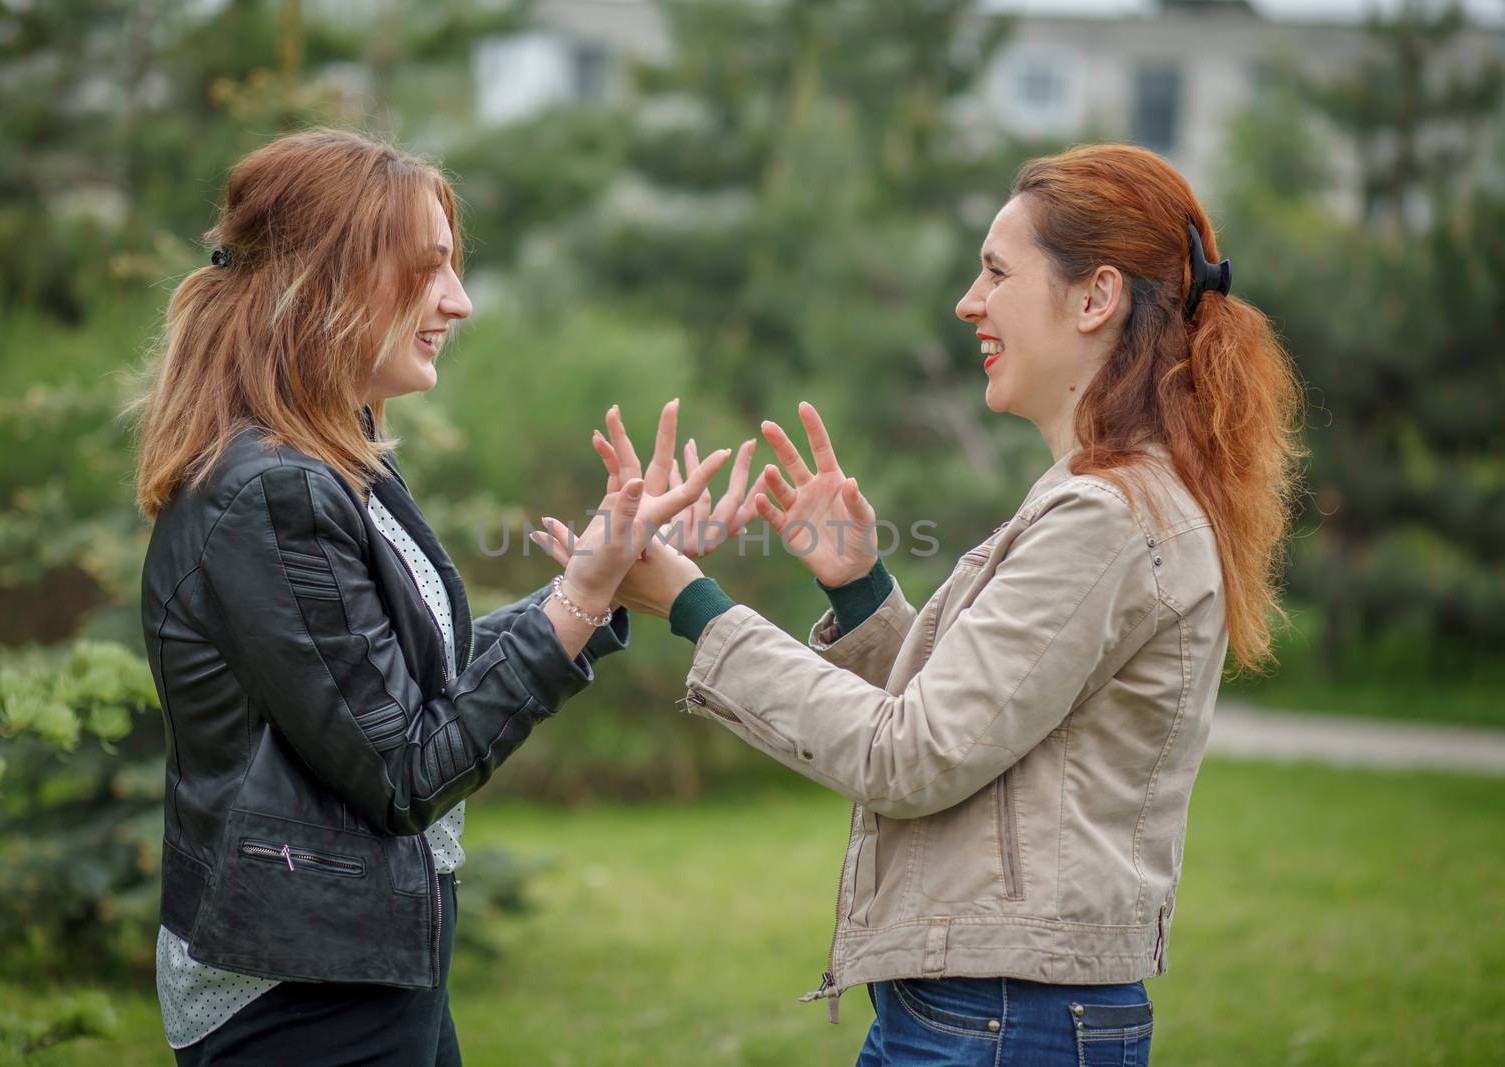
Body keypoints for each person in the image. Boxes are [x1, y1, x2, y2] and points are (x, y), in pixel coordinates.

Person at [537, 143, 1305, 1066]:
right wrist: (858, 591)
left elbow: (914, 755)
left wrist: (691, 602)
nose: (968, 302)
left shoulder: (1105, 516)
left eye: (994, 271)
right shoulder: (1113, 498)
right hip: (993, 1011)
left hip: (1003, 1020)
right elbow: (986, 728)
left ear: (1095, 298)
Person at [128, 127, 738, 1066]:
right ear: (328, 283)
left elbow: (400, 688)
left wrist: (601, 580)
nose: (457, 301)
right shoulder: (274, 489)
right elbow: (407, 767)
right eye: (430, 268)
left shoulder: (330, 461)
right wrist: (578, 593)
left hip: (354, 972)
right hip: (301, 1003)